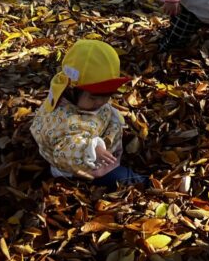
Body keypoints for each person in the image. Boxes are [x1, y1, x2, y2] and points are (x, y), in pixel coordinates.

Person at [30, 39, 148, 187]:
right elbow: (66, 150)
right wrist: (92, 149)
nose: (100, 102)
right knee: (121, 178)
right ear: (72, 90)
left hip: (97, 138)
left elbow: (101, 106)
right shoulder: (63, 120)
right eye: (94, 97)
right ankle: (146, 183)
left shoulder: (85, 102)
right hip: (79, 163)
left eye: (107, 95)